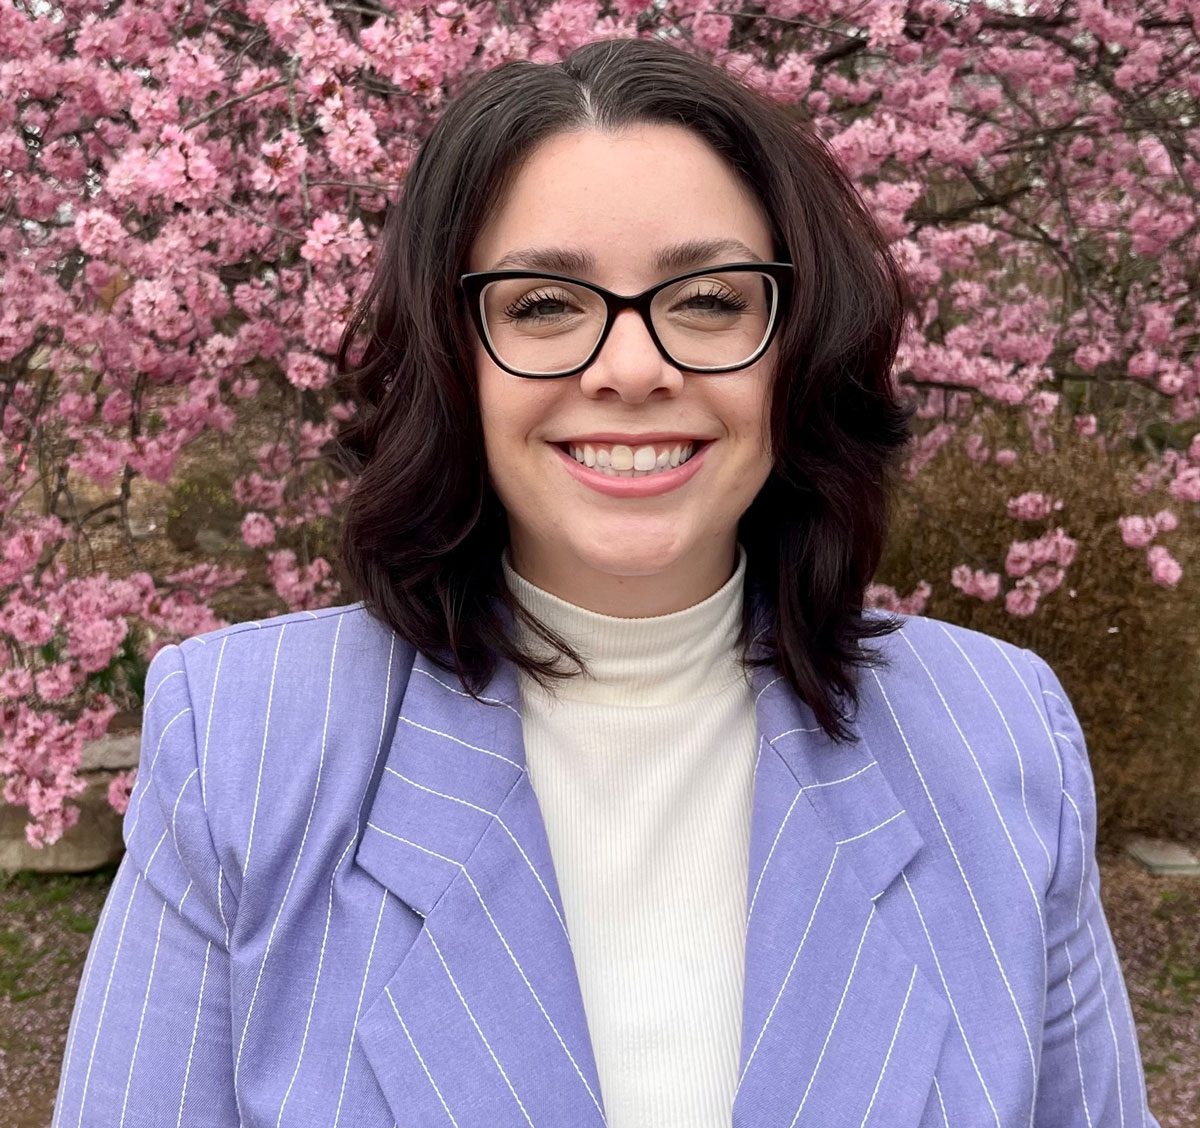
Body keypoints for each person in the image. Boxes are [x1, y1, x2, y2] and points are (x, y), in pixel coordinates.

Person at [53, 35, 1158, 1128]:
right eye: (543, 306)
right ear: (453, 353)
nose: (633, 368)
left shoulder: (995, 741)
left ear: (796, 343)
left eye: (711, 300)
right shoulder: (247, 749)